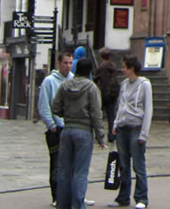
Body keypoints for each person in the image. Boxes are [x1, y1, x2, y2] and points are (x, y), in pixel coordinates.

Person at [52, 56, 106, 209]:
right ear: (89, 71)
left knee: (64, 170)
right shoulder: (91, 88)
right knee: (80, 171)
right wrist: (100, 137)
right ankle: (77, 205)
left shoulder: (64, 85)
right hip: (84, 131)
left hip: (67, 129)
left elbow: (55, 107)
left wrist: (66, 114)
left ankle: (63, 204)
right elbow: (96, 113)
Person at [110, 55, 151, 209]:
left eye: (124, 67)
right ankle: (123, 197)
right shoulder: (124, 84)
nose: (122, 70)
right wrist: (116, 123)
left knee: (138, 165)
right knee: (123, 165)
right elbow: (120, 105)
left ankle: (142, 198)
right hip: (122, 128)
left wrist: (144, 133)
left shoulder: (145, 85)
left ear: (132, 68)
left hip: (136, 128)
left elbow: (148, 110)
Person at [39, 51, 74, 206]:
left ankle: (74, 194)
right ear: (59, 63)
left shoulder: (74, 79)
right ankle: (57, 196)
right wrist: (51, 125)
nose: (68, 66)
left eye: (70, 63)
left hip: (71, 127)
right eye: (65, 63)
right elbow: (43, 105)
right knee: (57, 164)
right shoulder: (49, 81)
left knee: (73, 164)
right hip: (57, 129)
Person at [93, 48, 120, 132]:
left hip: (104, 93)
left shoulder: (101, 67)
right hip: (113, 92)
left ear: (101, 56)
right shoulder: (113, 66)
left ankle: (99, 132)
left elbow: (95, 78)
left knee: (99, 115)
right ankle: (112, 133)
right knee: (111, 115)